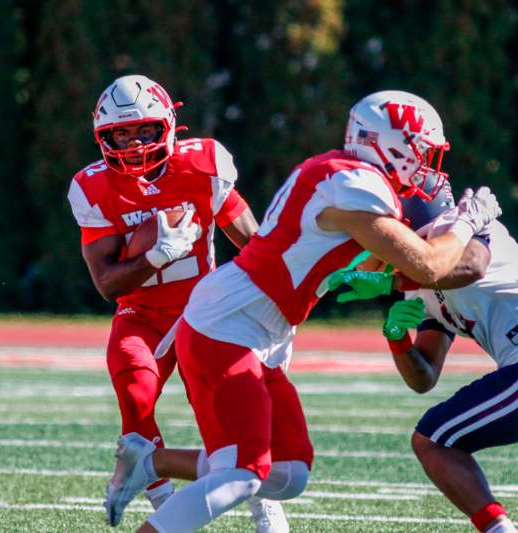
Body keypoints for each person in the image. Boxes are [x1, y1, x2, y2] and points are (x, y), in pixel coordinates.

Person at [105, 89, 503, 533]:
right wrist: (468, 222)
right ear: (390, 144)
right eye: (420, 149)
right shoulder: (351, 183)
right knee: (240, 476)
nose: (425, 162)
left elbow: (381, 263)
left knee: (289, 473)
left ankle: (150, 460)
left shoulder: (346, 177)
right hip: (229, 324)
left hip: (258, 327)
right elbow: (428, 265)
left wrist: (385, 279)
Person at [67, 75, 265, 523]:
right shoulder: (93, 186)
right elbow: (108, 284)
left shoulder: (203, 165)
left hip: (205, 314)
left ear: (168, 125)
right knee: (135, 398)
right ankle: (164, 506)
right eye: (121, 133)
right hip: (140, 313)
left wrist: (268, 305)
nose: (133, 142)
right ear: (104, 136)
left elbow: (254, 247)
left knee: (228, 422)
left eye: (143, 130)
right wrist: (156, 255)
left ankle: (262, 505)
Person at [329, 183, 518, 533]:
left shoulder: (461, 227)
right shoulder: (423, 280)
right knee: (433, 439)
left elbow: (472, 267)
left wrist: (391, 284)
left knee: (434, 439)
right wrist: (397, 338)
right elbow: (424, 377)